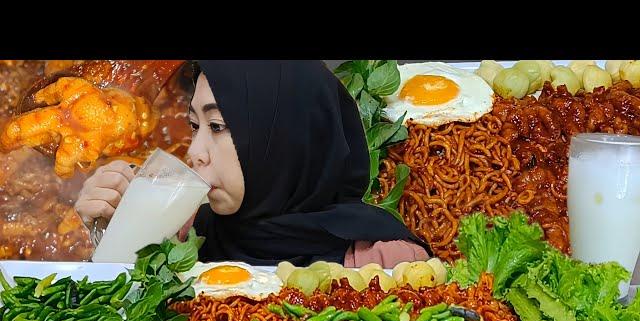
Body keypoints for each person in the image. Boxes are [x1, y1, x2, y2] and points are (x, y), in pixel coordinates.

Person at [75, 60, 429, 267]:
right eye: (194, 126)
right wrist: (108, 232)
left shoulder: (383, 260)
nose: (195, 151)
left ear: (285, 137)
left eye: (217, 126)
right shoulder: (180, 236)